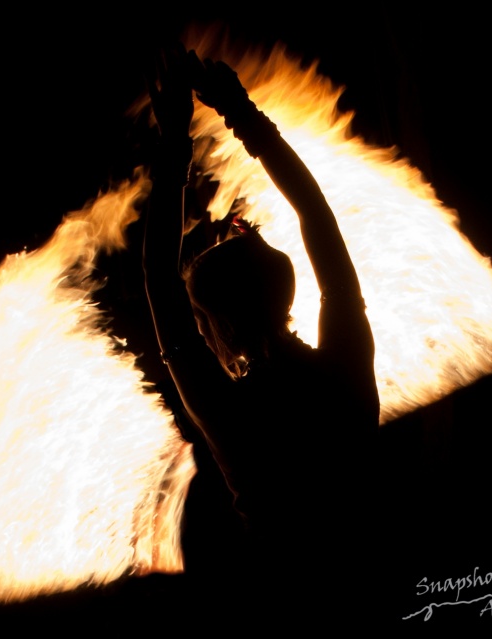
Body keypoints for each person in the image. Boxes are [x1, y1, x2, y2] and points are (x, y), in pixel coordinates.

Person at [143, 45, 379, 621]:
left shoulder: (228, 413)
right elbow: (316, 215)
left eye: (200, 321)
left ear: (215, 327)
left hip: (290, 606)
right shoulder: (346, 359)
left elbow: (157, 281)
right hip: (377, 581)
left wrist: (174, 138)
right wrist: (240, 112)